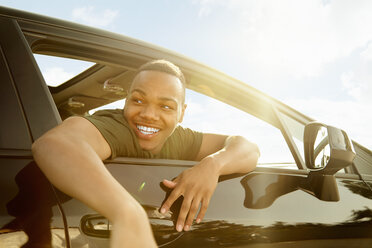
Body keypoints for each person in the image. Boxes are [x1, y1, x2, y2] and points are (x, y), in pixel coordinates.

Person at [32, 59, 260, 247]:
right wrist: (129, 215)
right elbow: (56, 143)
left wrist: (213, 165)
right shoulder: (118, 127)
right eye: (138, 100)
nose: (149, 114)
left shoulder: (179, 138)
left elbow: (249, 149)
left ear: (182, 113)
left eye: (166, 106)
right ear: (125, 102)